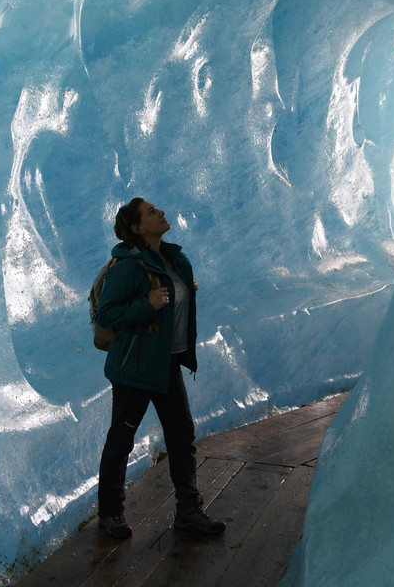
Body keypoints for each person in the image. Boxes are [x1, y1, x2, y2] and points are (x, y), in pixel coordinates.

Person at [96, 196, 226, 538]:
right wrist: (146, 304)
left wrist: (184, 291)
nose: (162, 212)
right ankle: (110, 513)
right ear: (138, 228)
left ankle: (189, 511)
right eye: (152, 212)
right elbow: (107, 313)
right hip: (135, 369)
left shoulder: (173, 257)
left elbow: (175, 301)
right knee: (121, 440)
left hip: (166, 363)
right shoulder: (128, 266)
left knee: (182, 437)